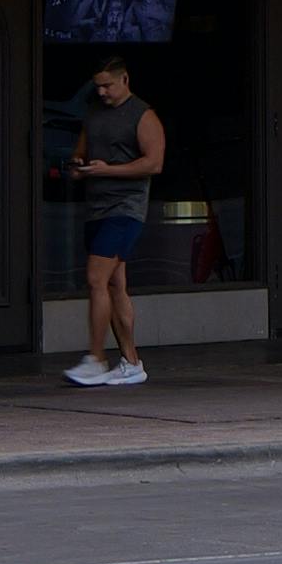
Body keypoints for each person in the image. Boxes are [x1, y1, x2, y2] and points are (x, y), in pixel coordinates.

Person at [68, 60, 165, 385]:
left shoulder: (143, 115)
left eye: (107, 85)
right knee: (114, 284)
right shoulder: (94, 113)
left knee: (96, 278)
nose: (102, 91)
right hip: (96, 207)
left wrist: (107, 170)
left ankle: (96, 358)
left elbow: (154, 163)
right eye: (97, 85)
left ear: (124, 79)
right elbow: (80, 152)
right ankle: (132, 363)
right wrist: (78, 166)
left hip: (126, 209)